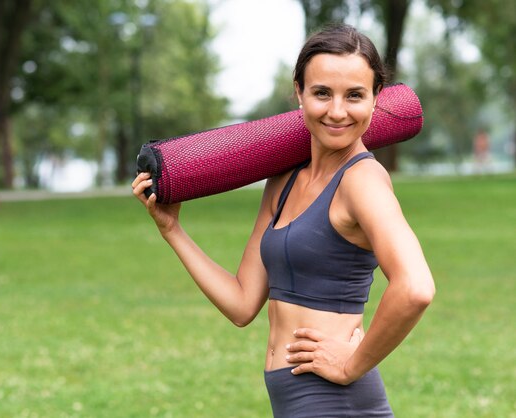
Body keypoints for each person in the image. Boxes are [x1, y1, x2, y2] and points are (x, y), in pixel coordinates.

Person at [132, 23, 435, 418]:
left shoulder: (363, 181)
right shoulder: (284, 179)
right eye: (322, 93)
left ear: (377, 97)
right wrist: (172, 230)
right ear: (299, 92)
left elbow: (415, 288)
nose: (337, 111)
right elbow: (242, 304)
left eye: (355, 95)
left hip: (335, 401)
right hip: (293, 399)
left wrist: (352, 363)